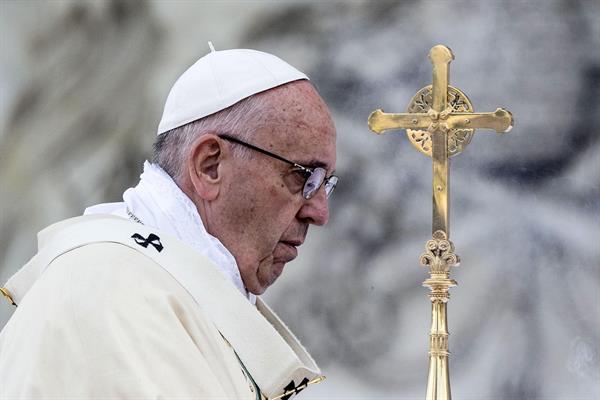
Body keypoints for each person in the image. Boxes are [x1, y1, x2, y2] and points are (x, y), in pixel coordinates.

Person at [0, 47, 338, 399]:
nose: (319, 212)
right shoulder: (113, 292)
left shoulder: (170, 292)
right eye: (305, 178)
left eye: (326, 183)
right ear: (210, 165)